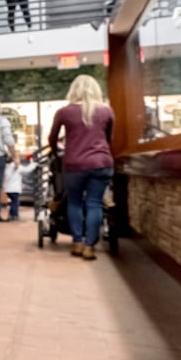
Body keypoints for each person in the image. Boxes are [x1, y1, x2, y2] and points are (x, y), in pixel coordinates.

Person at [48, 75, 115, 260]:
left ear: (73, 90)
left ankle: (77, 242)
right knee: (94, 203)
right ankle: (89, 246)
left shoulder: (64, 112)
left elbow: (52, 138)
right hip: (101, 163)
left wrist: (56, 152)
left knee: (75, 202)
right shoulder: (107, 111)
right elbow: (109, 138)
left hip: (74, 164)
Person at [3, 153, 35, 221]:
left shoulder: (7, 167)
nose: (20, 160)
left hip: (8, 189)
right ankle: (15, 216)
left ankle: (11, 215)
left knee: (13, 202)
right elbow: (27, 169)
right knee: (15, 203)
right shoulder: (16, 167)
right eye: (18, 159)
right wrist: (33, 163)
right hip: (14, 189)